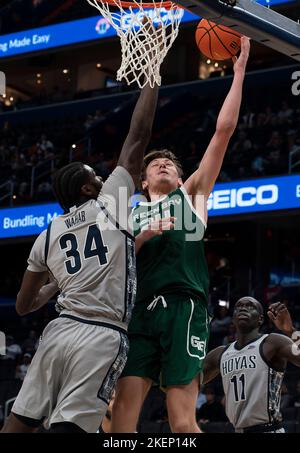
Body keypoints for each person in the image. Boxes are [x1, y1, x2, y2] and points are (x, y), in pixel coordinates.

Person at [1, 78, 159, 433]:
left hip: (57, 332)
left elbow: (24, 306)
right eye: (97, 177)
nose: (105, 178)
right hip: (101, 335)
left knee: (17, 425)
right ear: (88, 188)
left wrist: (55, 285)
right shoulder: (110, 202)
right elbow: (138, 136)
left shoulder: (48, 234)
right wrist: (152, 75)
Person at [111, 37, 250, 433]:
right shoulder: (130, 213)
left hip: (183, 307)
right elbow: (117, 265)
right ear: (142, 179)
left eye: (170, 163)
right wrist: (142, 236)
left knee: (182, 421)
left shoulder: (190, 197)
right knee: (122, 418)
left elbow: (222, 133)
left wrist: (238, 73)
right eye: (156, 163)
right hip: (138, 313)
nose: (163, 165)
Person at [202, 299, 300, 433]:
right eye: (239, 306)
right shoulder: (219, 354)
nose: (243, 308)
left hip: (268, 429)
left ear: (260, 319)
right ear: (233, 319)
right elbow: (187, 382)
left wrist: (290, 331)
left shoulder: (272, 342)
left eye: (250, 306)